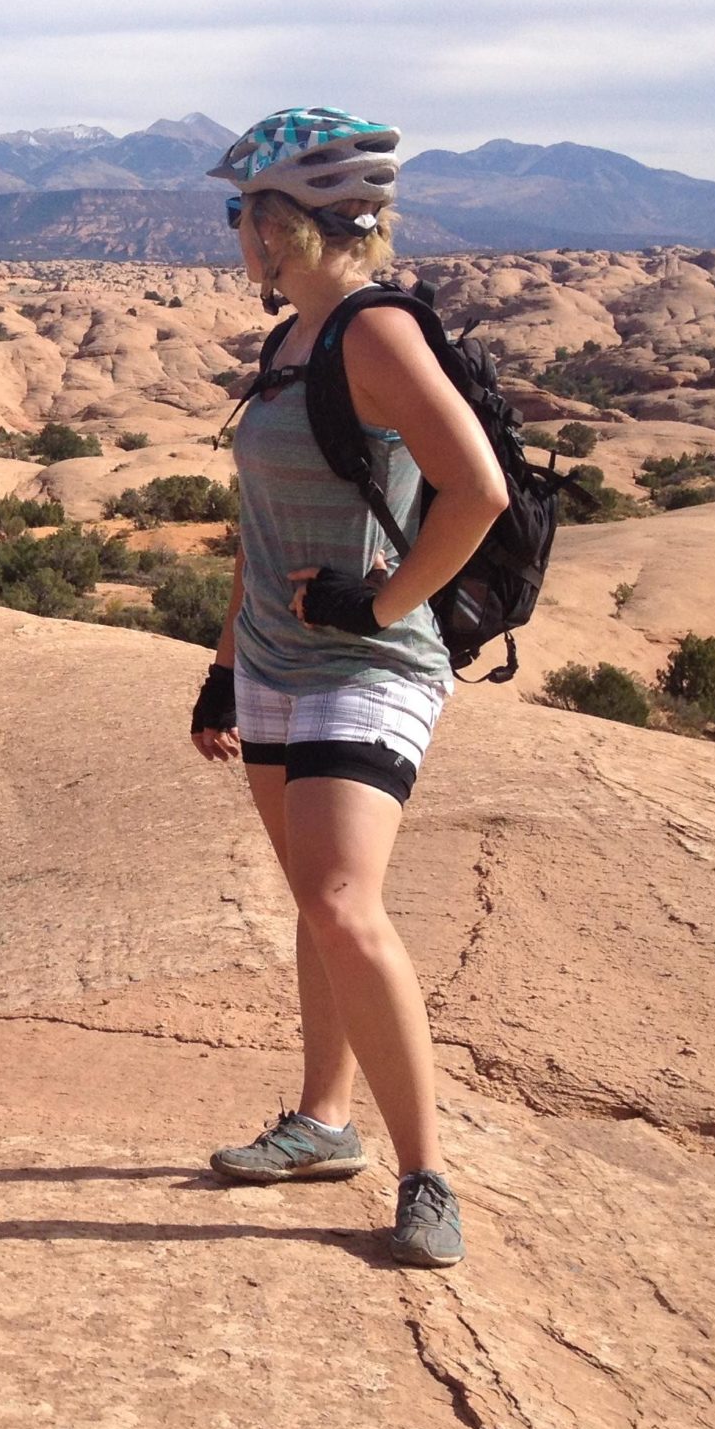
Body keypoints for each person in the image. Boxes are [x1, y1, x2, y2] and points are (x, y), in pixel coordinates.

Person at [188, 108, 508, 1270]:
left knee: (337, 901)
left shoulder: (373, 334)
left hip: (367, 664)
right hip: (274, 660)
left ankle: (426, 1175)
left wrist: (376, 606)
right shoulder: (288, 343)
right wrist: (225, 667)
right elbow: (259, 530)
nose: (233, 237)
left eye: (240, 216)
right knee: (316, 905)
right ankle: (323, 1123)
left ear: (281, 227)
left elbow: (476, 492)